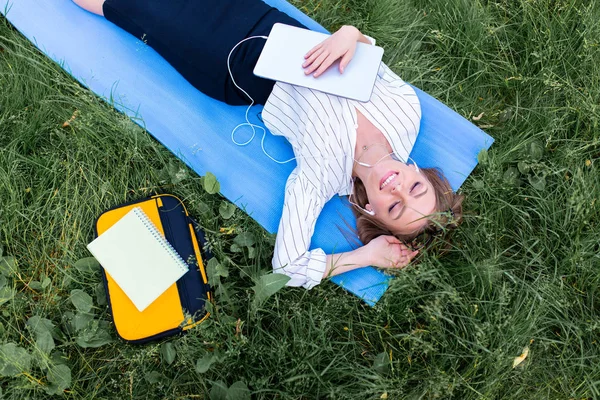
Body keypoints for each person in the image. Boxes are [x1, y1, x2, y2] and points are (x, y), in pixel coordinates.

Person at [72, 0, 464, 289]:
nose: (396, 187)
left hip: (226, 61)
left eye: (395, 206)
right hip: (271, 25)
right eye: (414, 188)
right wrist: (349, 34)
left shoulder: (322, 176)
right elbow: (365, 51)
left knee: (126, 5)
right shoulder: (406, 111)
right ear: (419, 172)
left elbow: (286, 267)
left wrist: (364, 256)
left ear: (370, 209)